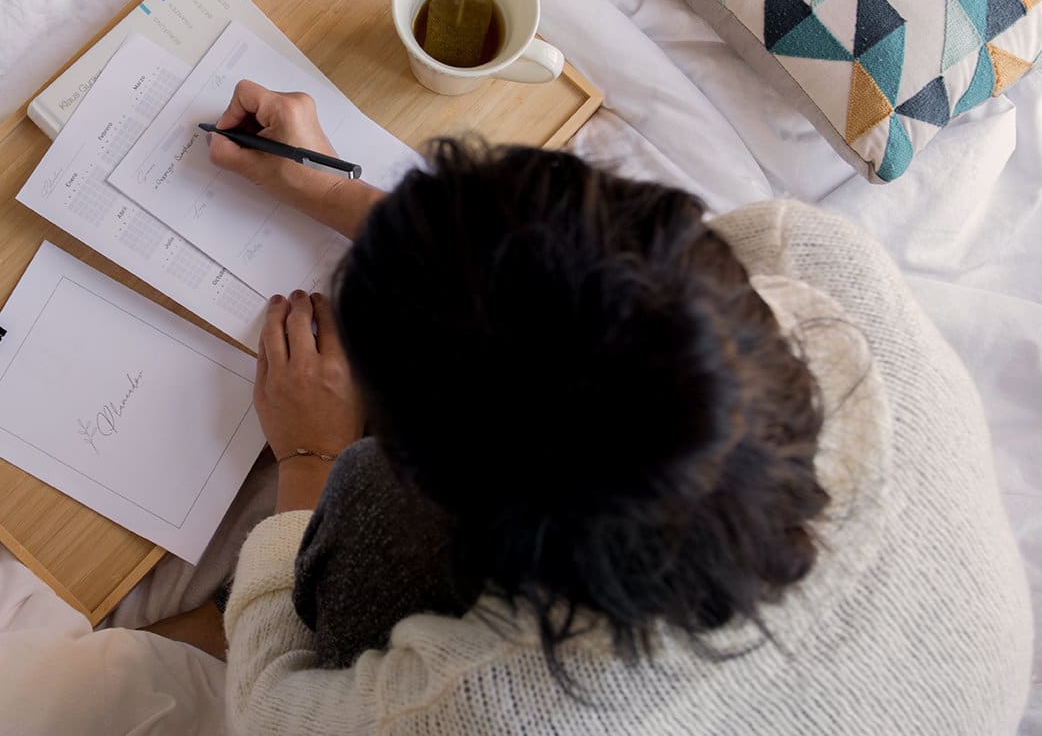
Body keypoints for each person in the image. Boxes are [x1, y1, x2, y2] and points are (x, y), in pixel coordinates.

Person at [148, 80, 1033, 733]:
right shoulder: (822, 264)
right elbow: (584, 288)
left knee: (358, 513)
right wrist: (335, 191)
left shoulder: (493, 711)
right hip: (961, 676)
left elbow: (270, 712)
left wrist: (306, 459)